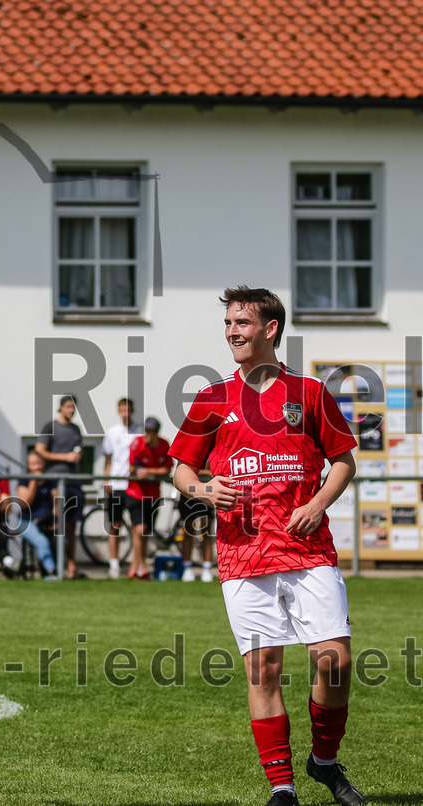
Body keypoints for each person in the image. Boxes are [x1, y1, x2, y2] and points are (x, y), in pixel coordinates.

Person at [169, 286, 362, 806]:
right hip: (242, 551)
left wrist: (318, 503)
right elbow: (181, 469)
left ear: (270, 329)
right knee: (264, 669)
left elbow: (343, 459)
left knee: (335, 660)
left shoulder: (310, 392)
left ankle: (324, 761)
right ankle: (282, 786)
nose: (232, 331)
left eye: (242, 323)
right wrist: (204, 489)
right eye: (228, 323)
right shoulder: (213, 397)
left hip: (306, 548)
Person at [35, 394, 86, 579]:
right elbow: (39, 450)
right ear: (61, 408)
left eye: (73, 407)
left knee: (72, 526)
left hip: (74, 483)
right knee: (56, 524)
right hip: (55, 484)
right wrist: (64, 457)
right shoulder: (51, 427)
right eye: (68, 407)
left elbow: (79, 451)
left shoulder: (76, 429)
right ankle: (53, 566)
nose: (71, 410)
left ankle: (71, 567)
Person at [123, 417, 172, 580]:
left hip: (153, 495)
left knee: (144, 533)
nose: (147, 435)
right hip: (135, 493)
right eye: (146, 431)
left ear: (156, 433)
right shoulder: (137, 443)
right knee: (140, 530)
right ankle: (142, 566)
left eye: (151, 432)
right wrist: (139, 472)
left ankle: (133, 566)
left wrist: (149, 472)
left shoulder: (164, 445)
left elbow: (167, 469)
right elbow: (131, 468)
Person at [101, 397, 142, 579]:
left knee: (136, 527)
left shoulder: (139, 432)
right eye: (122, 410)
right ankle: (114, 564)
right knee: (115, 524)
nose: (125, 413)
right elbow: (108, 459)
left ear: (132, 411)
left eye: (128, 410)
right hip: (116, 484)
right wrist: (106, 479)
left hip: (134, 485)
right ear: (119, 411)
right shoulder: (111, 432)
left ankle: (136, 565)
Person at [10, 451, 59, 579]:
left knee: (61, 539)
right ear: (28, 466)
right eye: (33, 464)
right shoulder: (24, 481)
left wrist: (56, 519)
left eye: (39, 463)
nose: (37, 467)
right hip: (26, 522)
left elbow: (57, 502)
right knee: (42, 542)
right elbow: (25, 503)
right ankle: (51, 572)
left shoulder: (50, 481)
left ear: (43, 464)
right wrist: (33, 483)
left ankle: (55, 570)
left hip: (46, 521)